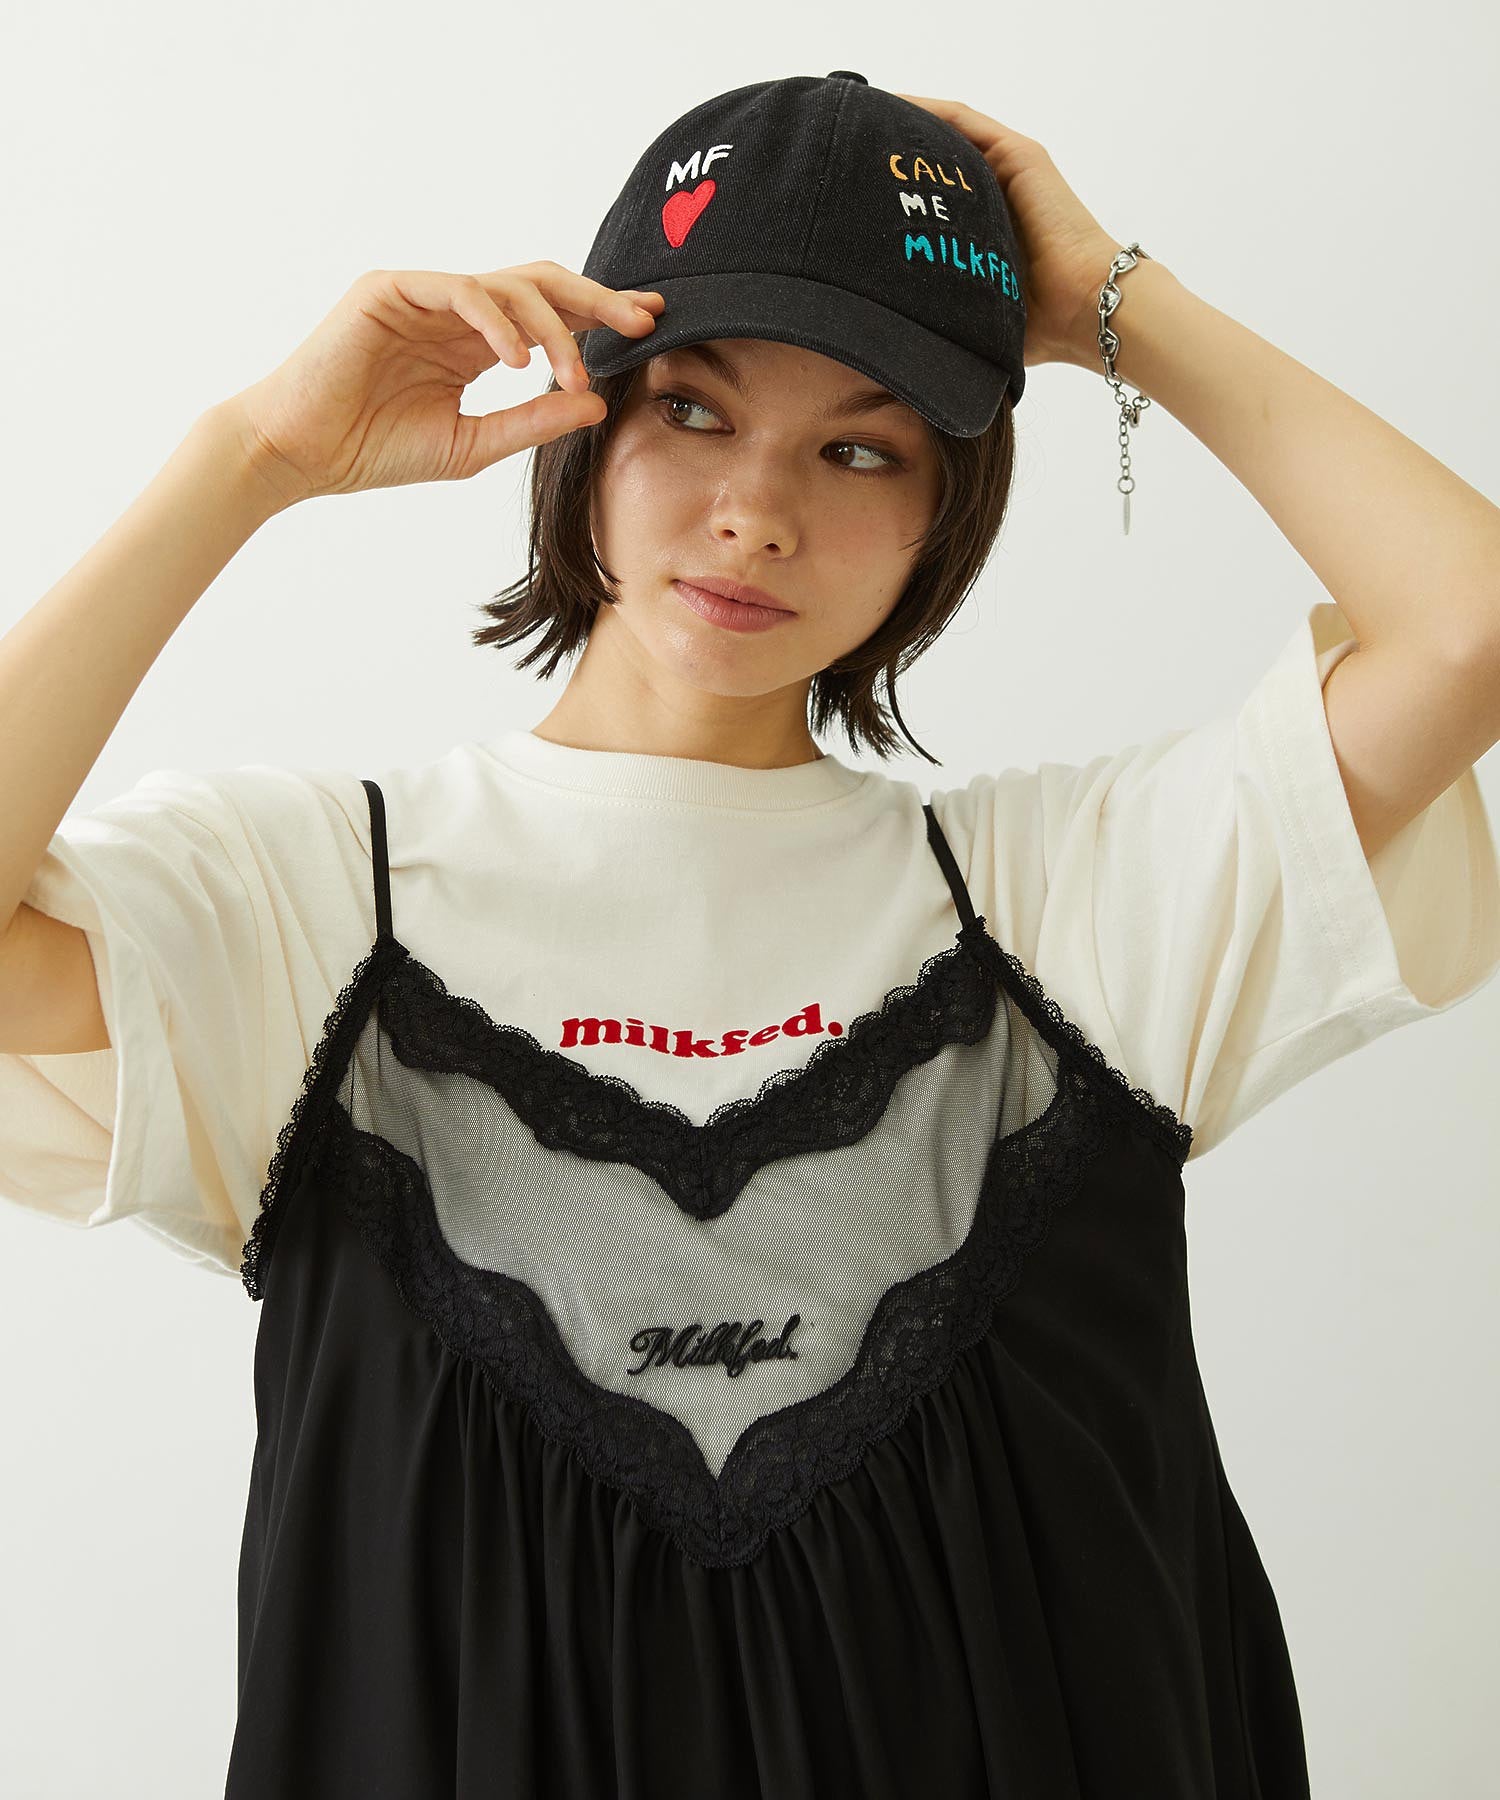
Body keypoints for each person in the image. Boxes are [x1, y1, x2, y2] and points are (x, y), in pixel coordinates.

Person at [2, 72, 1498, 1800]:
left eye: (861, 448)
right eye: (694, 412)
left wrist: (1108, 305)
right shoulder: (315, 904)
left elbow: (1462, 633)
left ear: (947, 514)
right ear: (579, 420)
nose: (758, 511)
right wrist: (250, 458)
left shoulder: (1064, 903)